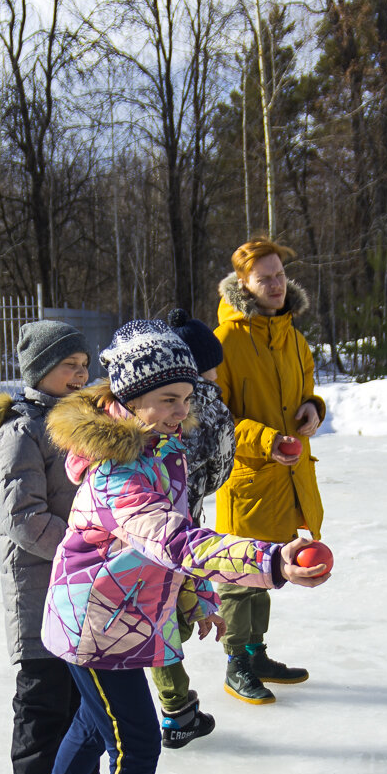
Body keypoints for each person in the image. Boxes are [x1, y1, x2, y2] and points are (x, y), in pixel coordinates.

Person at [34, 321, 330, 774]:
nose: (179, 412)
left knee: (97, 726)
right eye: (167, 400)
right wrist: (269, 561)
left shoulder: (159, 452)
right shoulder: (120, 472)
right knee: (138, 741)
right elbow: (175, 540)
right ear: (127, 401)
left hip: (118, 617)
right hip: (93, 625)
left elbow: (163, 557)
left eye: (187, 399)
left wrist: (197, 600)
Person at [0, 320, 107, 774]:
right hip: (40, 585)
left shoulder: (82, 424)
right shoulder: (22, 430)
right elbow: (22, 517)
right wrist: (82, 548)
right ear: (40, 371)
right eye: (67, 367)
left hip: (82, 583)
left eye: (83, 366)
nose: (79, 376)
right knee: (44, 696)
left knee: (86, 695)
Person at [212, 238, 328, 706]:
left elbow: (308, 393)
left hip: (289, 474)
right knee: (240, 575)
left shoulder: (294, 337)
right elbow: (212, 419)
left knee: (270, 570)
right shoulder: (226, 342)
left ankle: (256, 654)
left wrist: (313, 409)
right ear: (243, 284)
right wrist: (265, 441)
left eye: (280, 274)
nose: (277, 285)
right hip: (247, 478)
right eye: (265, 278)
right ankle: (236, 662)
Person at [147, 309, 236, 750]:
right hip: (181, 523)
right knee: (162, 618)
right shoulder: (208, 406)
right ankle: (176, 708)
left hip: (147, 521)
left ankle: (176, 704)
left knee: (163, 613)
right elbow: (221, 471)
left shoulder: (149, 400)